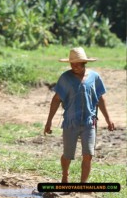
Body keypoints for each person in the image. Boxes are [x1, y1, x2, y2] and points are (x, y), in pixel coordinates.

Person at [44, 47, 115, 183]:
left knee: (88, 155)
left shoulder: (94, 77)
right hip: (71, 122)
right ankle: (65, 176)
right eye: (72, 63)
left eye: (77, 63)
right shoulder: (65, 78)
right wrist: (49, 121)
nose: (74, 66)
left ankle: (83, 184)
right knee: (68, 155)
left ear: (84, 63)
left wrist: (108, 119)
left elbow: (100, 98)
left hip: (89, 122)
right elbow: (56, 99)